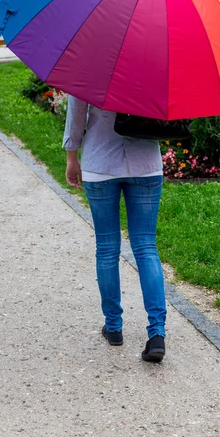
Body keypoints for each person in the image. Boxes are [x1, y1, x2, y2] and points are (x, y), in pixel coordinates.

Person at [63, 96, 167, 363]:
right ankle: (157, 333)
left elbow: (76, 113)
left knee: (107, 249)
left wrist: (71, 156)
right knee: (145, 247)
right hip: (146, 164)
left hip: (100, 163)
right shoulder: (153, 61)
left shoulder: (88, 62)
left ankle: (113, 327)